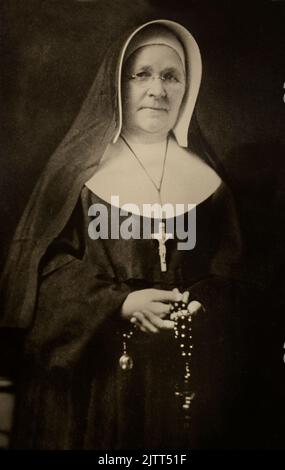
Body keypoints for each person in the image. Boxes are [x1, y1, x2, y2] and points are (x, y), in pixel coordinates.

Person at [0, 20, 243, 449]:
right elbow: (41, 277)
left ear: (188, 88)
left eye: (172, 76)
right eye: (142, 74)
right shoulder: (75, 176)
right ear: (116, 83)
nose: (157, 89)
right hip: (93, 385)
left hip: (175, 383)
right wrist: (122, 303)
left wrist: (203, 302)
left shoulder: (210, 183)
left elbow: (235, 274)